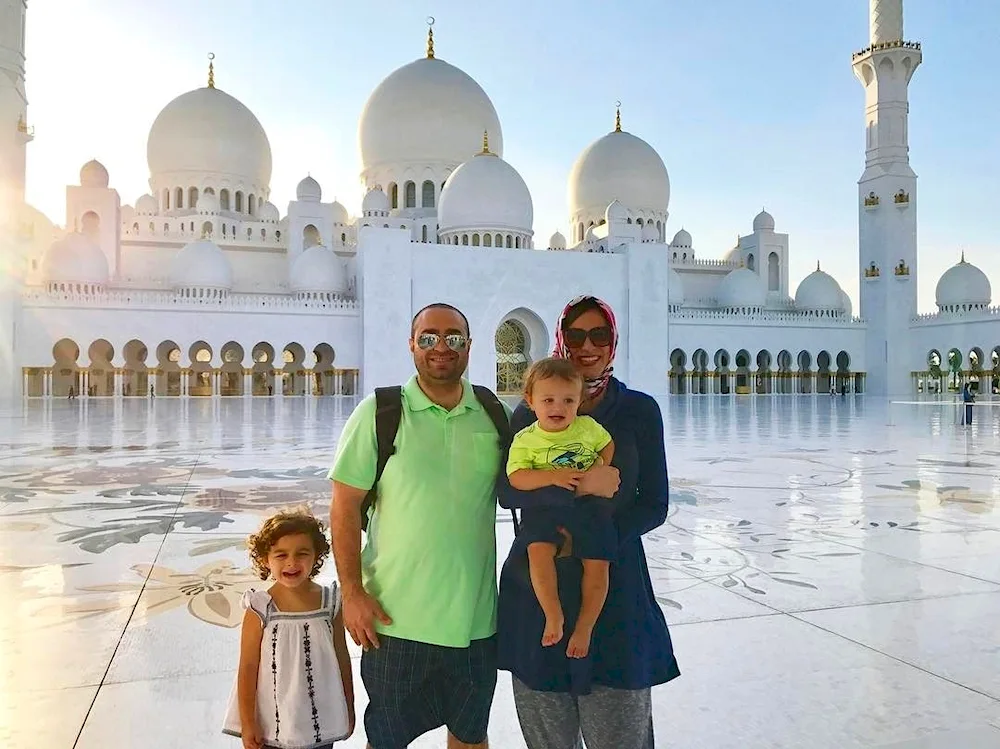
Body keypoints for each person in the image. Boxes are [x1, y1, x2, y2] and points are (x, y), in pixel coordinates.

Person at [497, 295, 680, 749]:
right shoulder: (531, 410)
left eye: (599, 334)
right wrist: (581, 485)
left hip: (614, 588)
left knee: (621, 736)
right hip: (540, 593)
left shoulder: (637, 410)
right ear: (561, 340)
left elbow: (654, 504)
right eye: (576, 335)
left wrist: (595, 540)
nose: (588, 346)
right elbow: (506, 491)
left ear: (613, 342)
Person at [328, 302, 506, 749]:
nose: (440, 347)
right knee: (387, 739)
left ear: (469, 347)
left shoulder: (493, 412)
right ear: (412, 346)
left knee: (470, 735)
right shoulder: (381, 412)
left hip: (474, 622)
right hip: (395, 621)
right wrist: (352, 593)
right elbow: (344, 508)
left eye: (453, 337)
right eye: (428, 338)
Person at [506, 357, 615, 658]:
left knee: (597, 564)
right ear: (531, 401)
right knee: (537, 552)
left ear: (579, 401)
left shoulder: (587, 428)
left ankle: (584, 627)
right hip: (546, 511)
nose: (558, 407)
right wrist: (552, 478)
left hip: (589, 510)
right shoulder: (526, 439)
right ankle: (553, 614)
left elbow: (606, 444)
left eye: (568, 400)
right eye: (549, 400)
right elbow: (516, 478)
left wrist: (601, 466)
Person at [222, 509, 354, 748]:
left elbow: (342, 656)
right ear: (265, 559)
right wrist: (248, 722)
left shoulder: (331, 602)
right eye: (281, 555)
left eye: (302, 553)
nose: (292, 562)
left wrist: (348, 706)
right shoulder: (260, 607)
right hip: (273, 722)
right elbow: (248, 665)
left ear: (316, 556)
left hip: (319, 719)